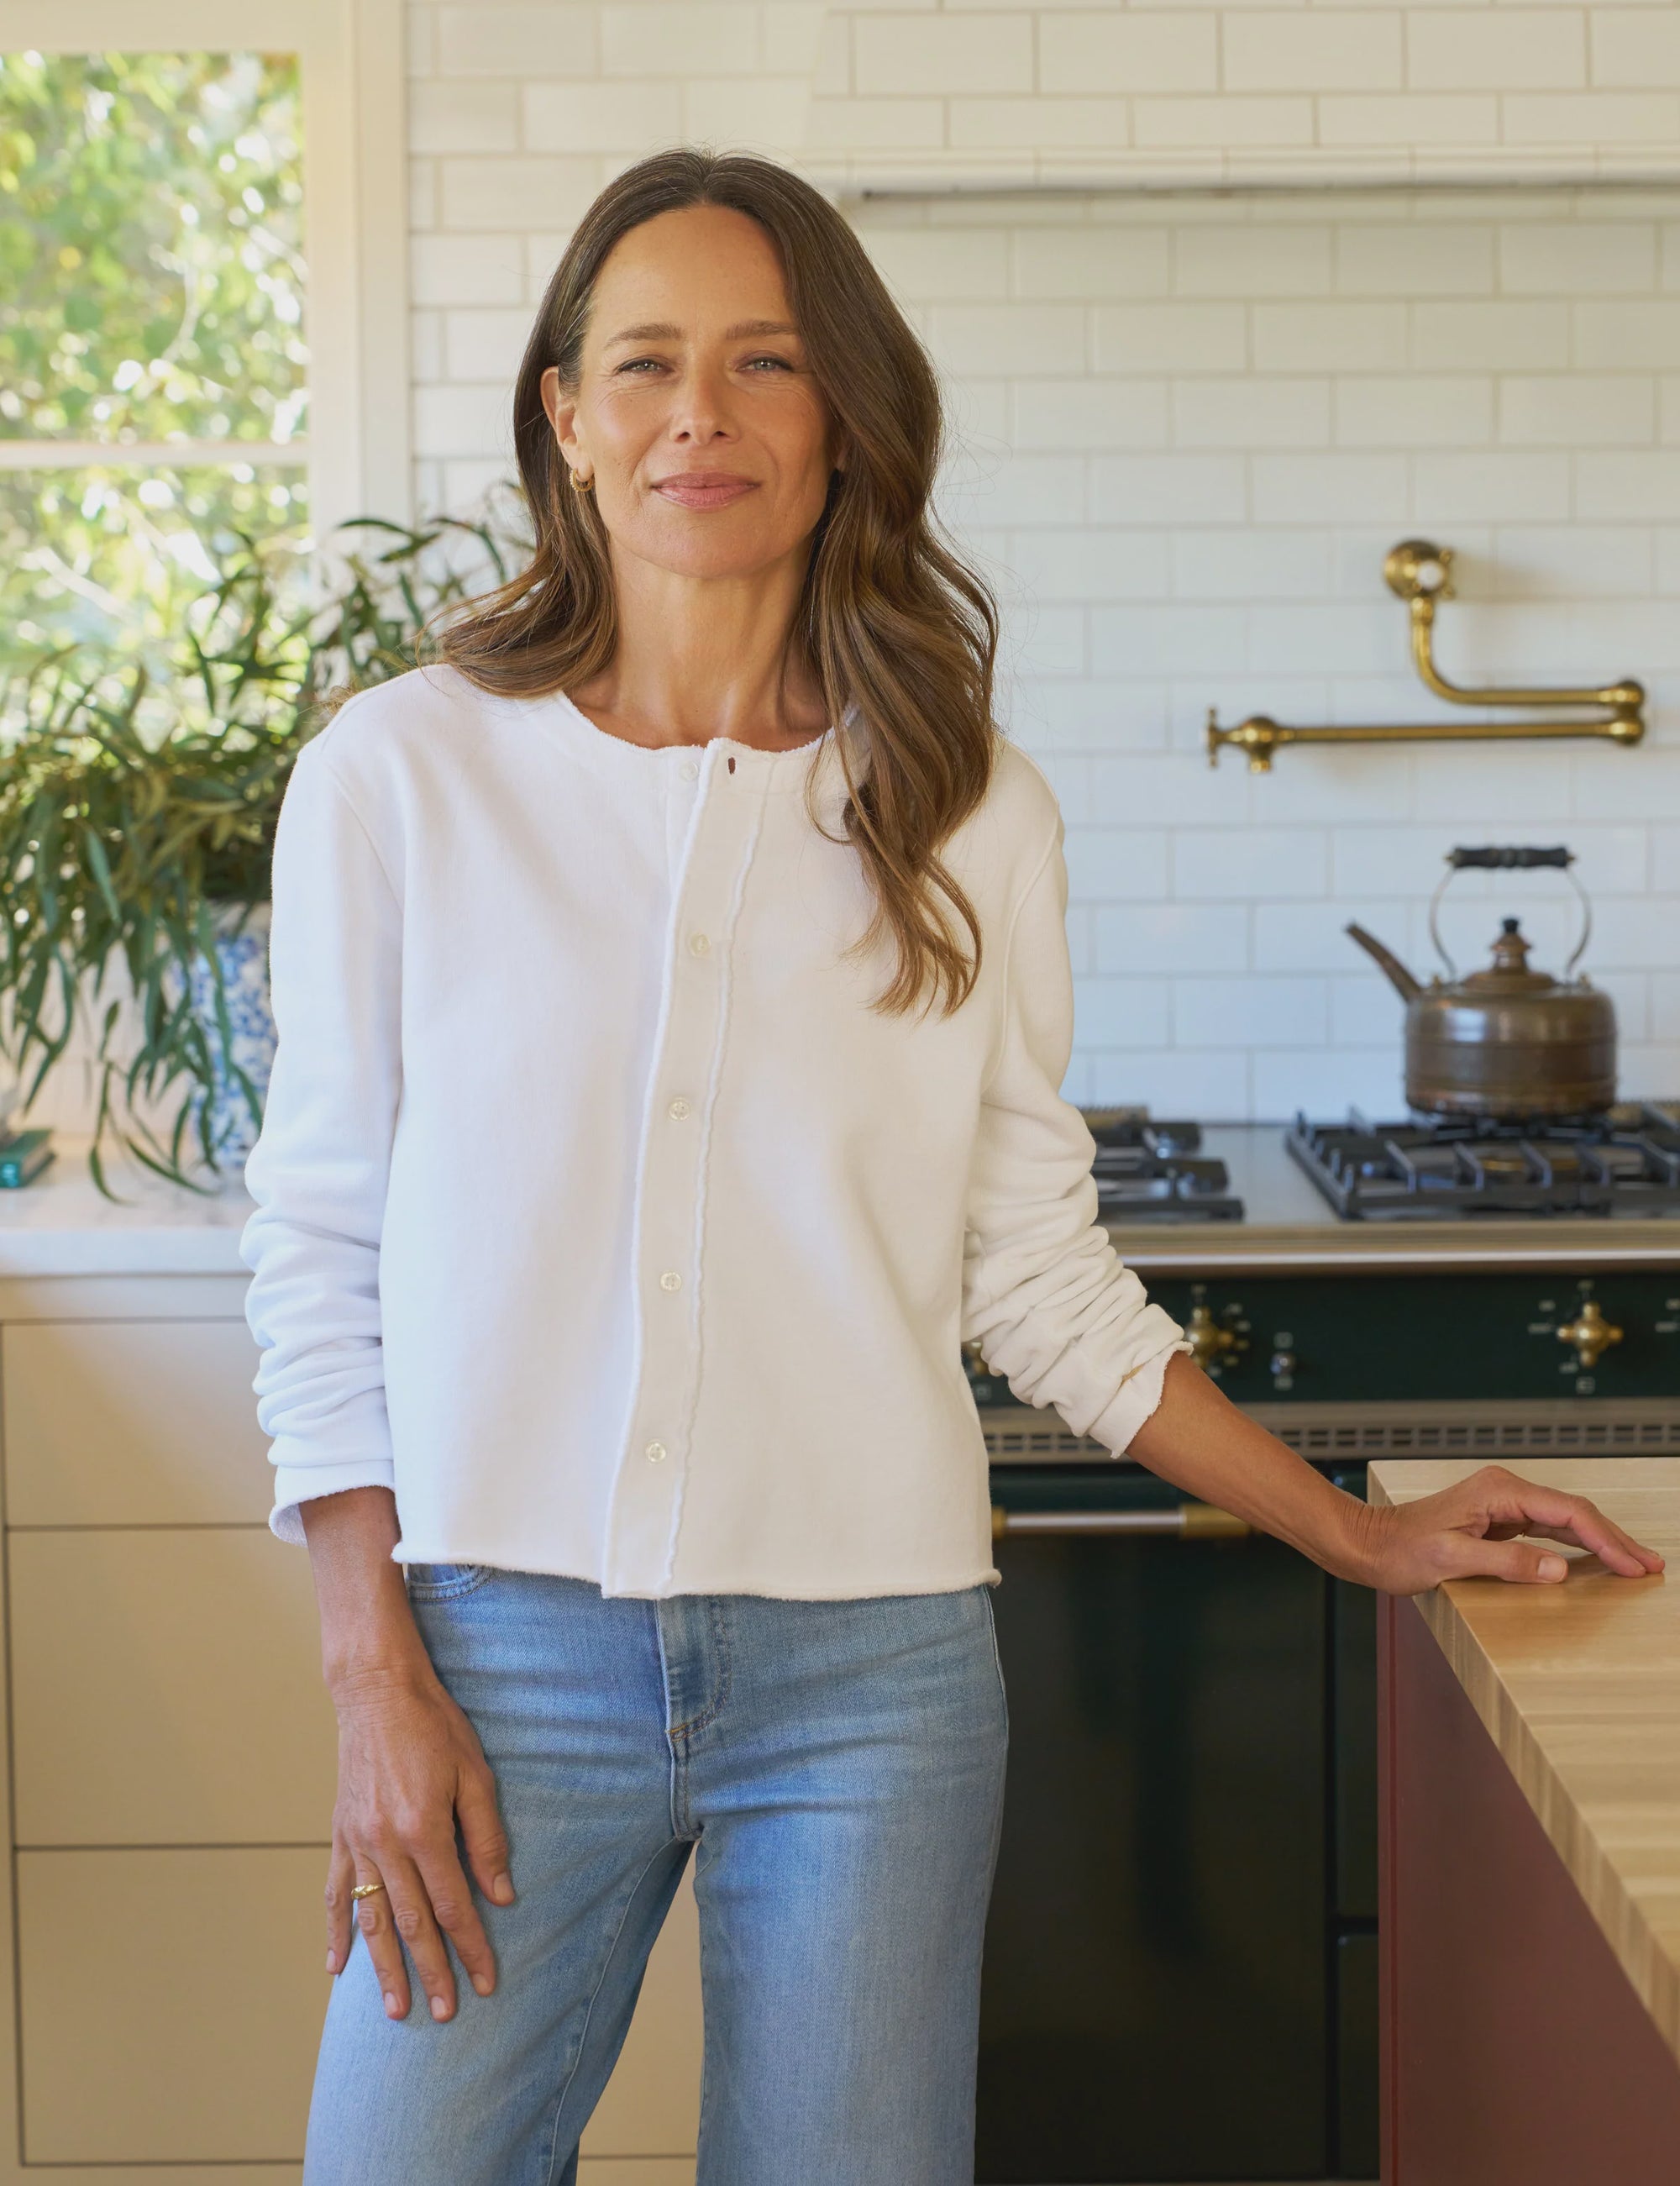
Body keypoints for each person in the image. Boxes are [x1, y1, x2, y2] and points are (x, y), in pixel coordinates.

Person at [239, 147, 1662, 2186]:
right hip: (497, 1646)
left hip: (871, 1675)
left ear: (842, 424)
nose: (699, 414)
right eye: (642, 362)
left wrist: (1352, 1529)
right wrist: (374, 1670)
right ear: (564, 413)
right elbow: (318, 1246)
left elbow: (1034, 1272)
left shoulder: (961, 796)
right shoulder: (401, 773)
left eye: (764, 363)